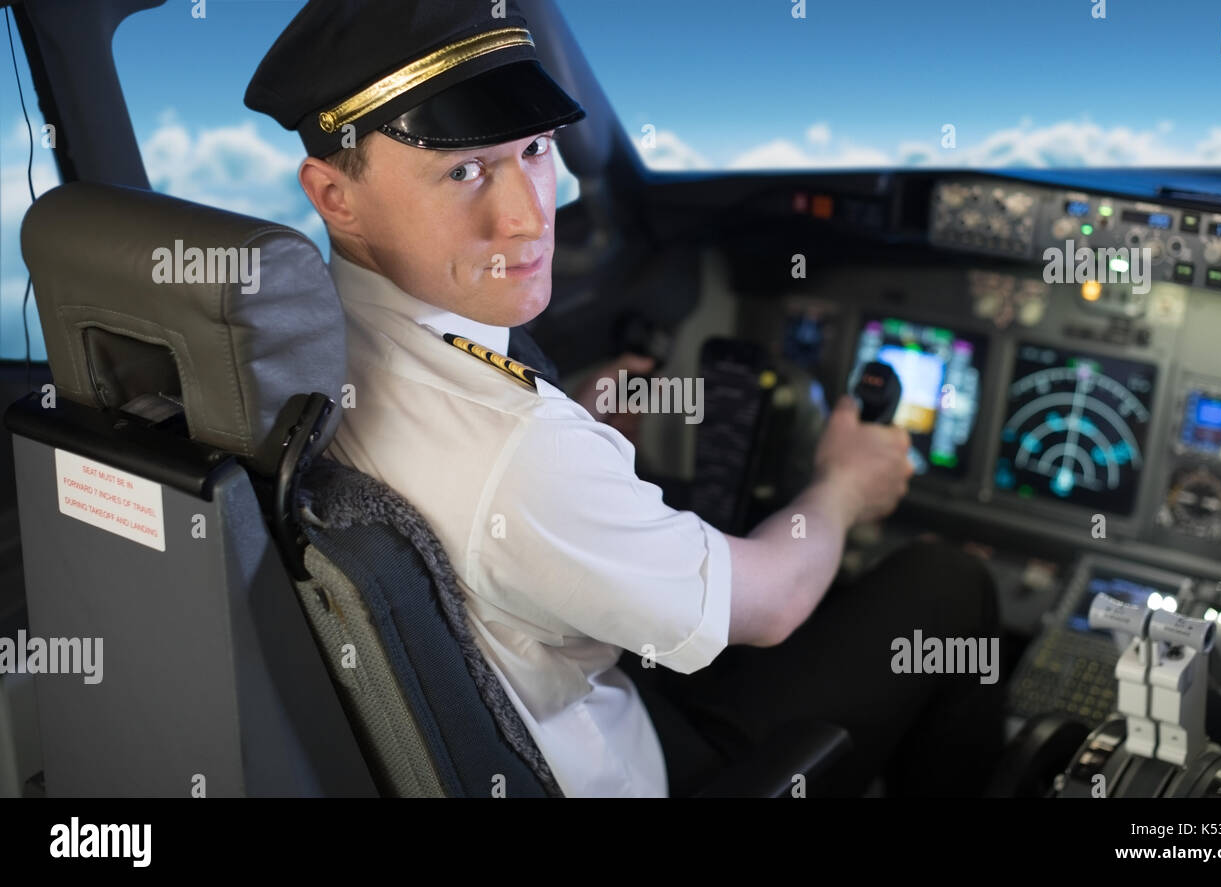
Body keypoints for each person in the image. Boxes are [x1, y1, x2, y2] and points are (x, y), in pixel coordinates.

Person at [245, 0, 1004, 797]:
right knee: (947, 585)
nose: (531, 216)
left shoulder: (310, 342)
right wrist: (846, 485)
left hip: (545, 696)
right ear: (335, 196)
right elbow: (773, 603)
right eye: (461, 170)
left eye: (535, 148)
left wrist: (574, 417)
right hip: (641, 767)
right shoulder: (521, 454)